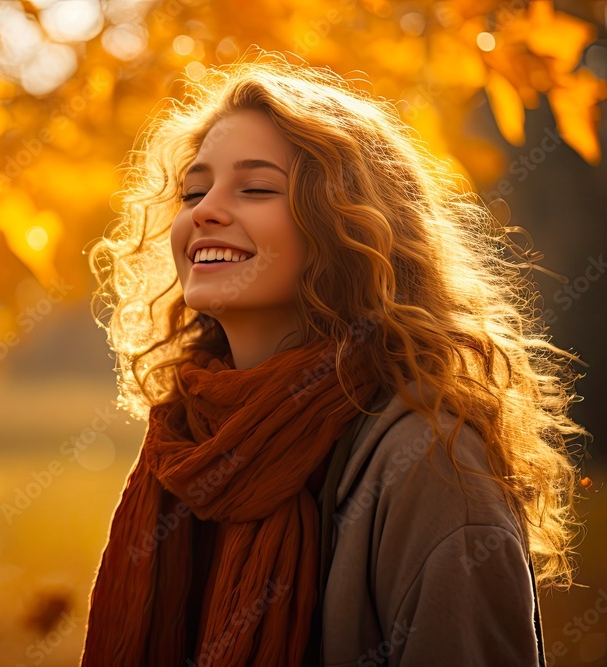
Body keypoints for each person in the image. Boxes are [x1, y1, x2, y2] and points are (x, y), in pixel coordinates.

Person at [79, 50, 590, 666]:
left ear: (348, 229)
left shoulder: (433, 469)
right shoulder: (186, 443)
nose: (206, 209)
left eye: (257, 188)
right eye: (193, 189)